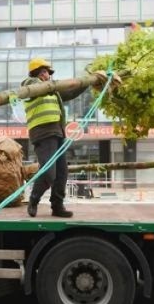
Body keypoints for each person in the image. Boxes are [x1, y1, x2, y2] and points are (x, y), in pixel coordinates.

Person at [22, 57, 103, 218]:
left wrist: (88, 81)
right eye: (44, 72)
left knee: (61, 173)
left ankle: (57, 206)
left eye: (48, 73)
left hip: (58, 133)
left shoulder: (53, 91)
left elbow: (71, 91)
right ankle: (34, 199)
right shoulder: (29, 85)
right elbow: (36, 86)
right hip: (43, 134)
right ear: (36, 73)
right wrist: (50, 84)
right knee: (48, 173)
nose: (47, 75)